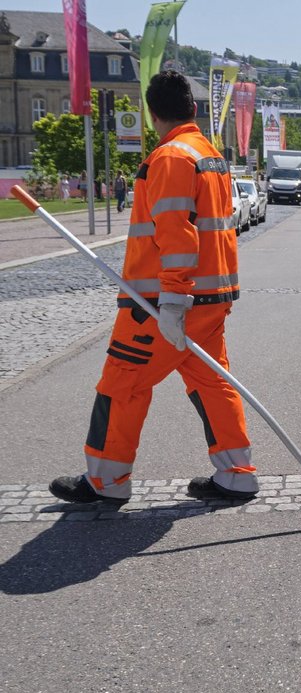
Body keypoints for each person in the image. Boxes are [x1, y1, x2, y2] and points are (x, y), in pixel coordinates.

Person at [48, 70, 259, 507]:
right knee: (211, 383)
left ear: (151, 114)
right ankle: (237, 475)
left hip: (159, 304)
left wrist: (173, 301)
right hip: (211, 299)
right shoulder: (210, 155)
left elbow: (176, 236)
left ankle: (107, 481)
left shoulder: (169, 157)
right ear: (194, 109)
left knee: (122, 384)